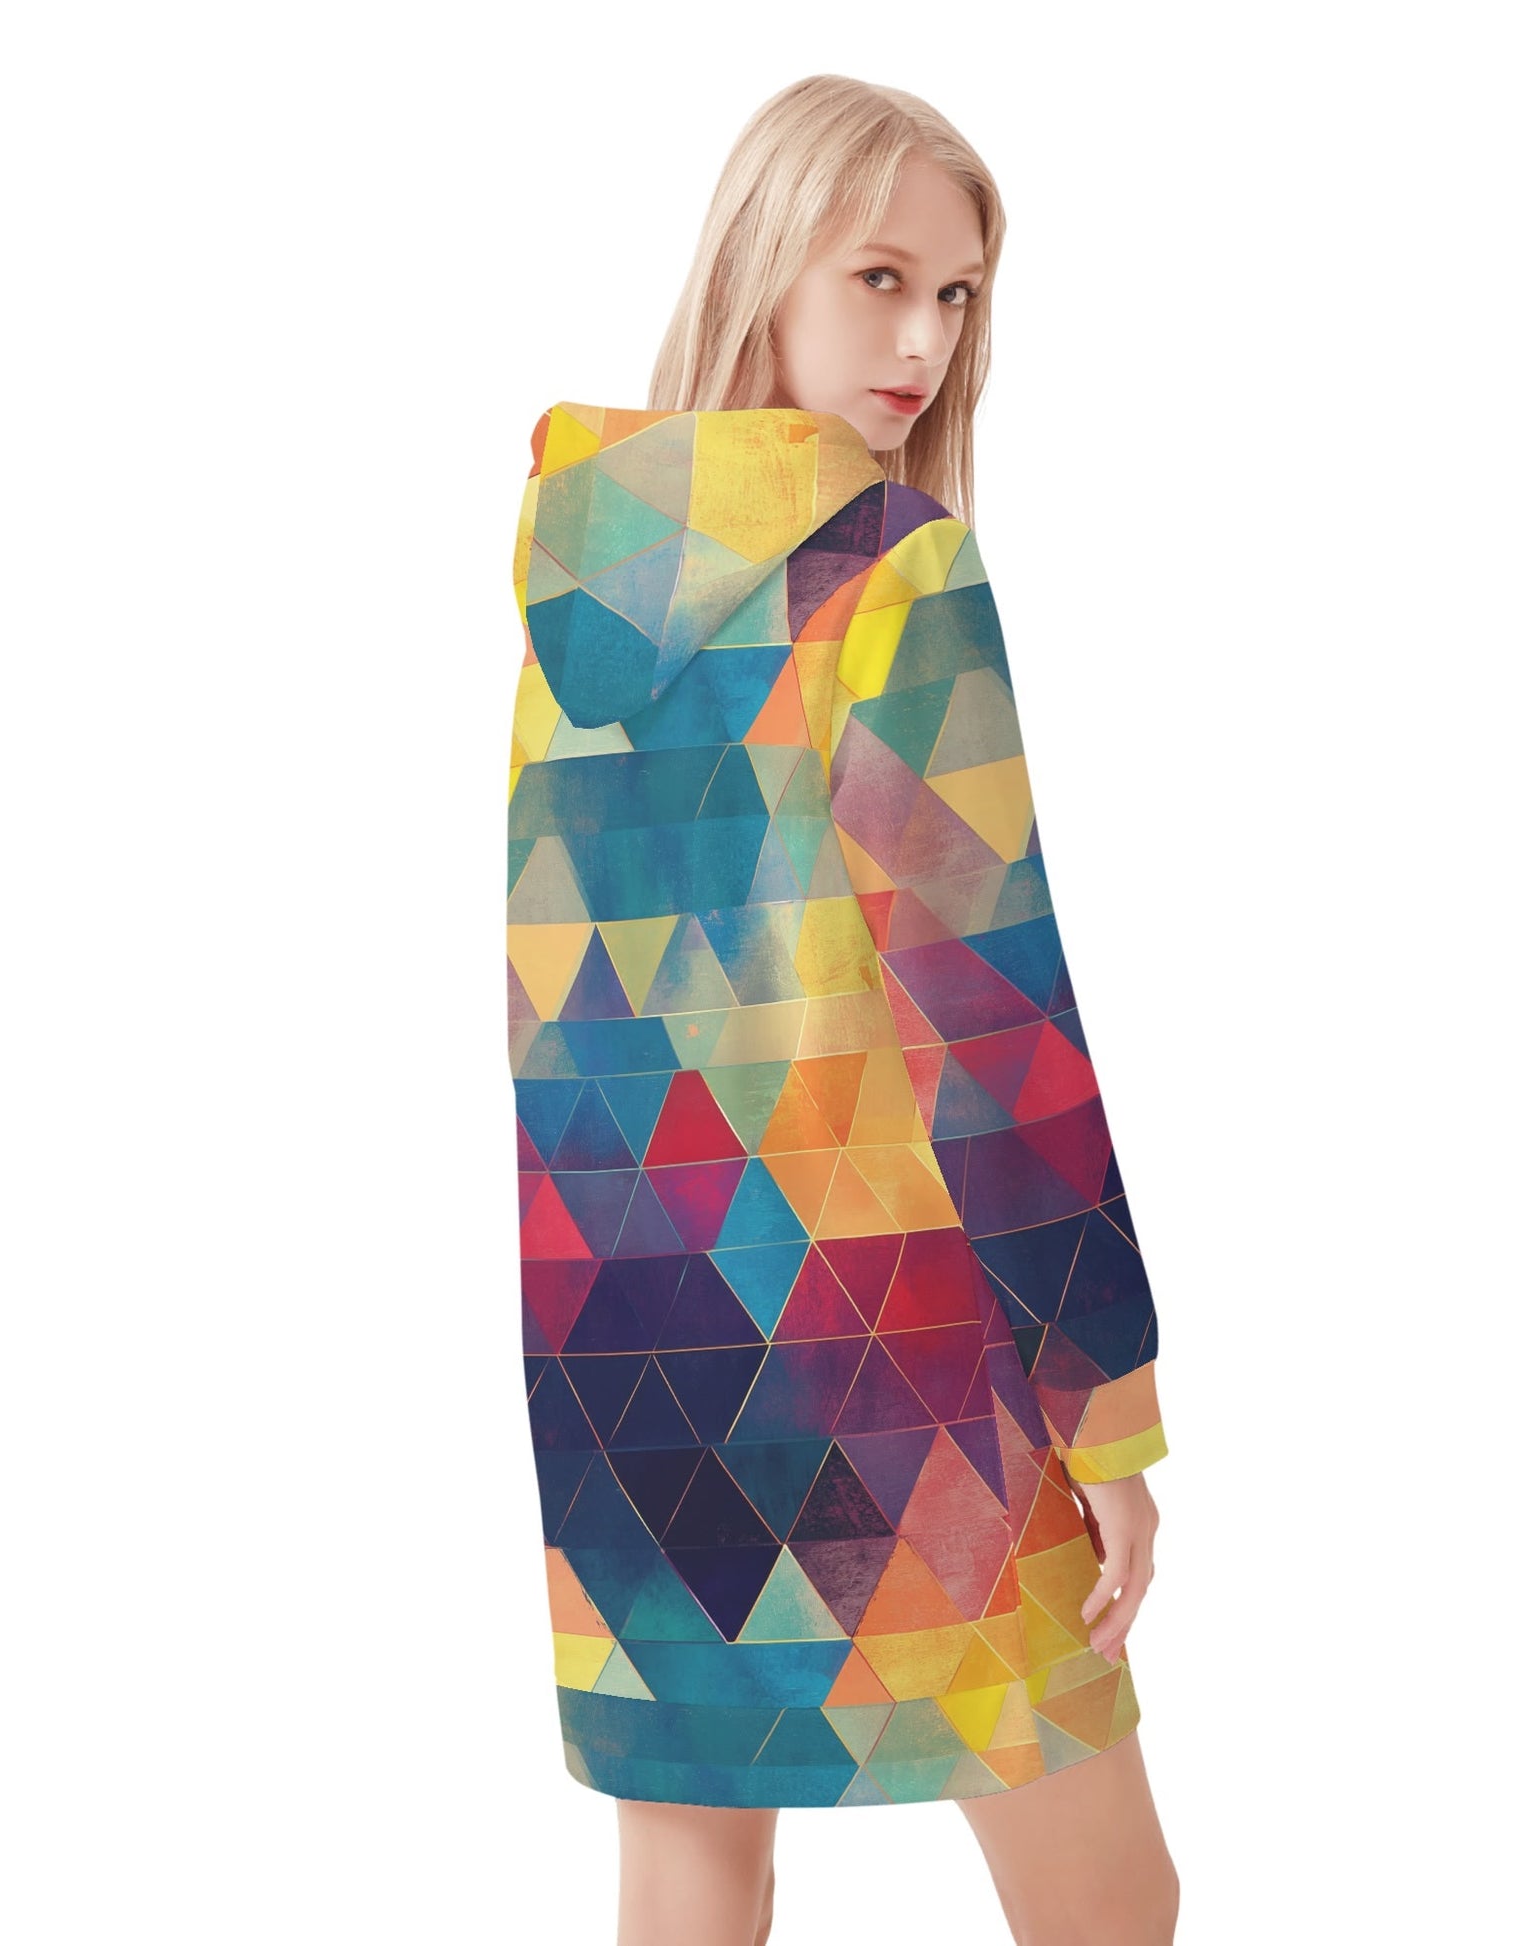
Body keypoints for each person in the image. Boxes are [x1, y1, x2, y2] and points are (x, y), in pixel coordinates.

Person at [506, 74, 1179, 1946]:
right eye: (878, 276)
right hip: (904, 1360)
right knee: (1111, 1902)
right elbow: (993, 1026)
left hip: (628, 1351)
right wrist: (1108, 1409)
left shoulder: (582, 584)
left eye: (956, 294)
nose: (922, 340)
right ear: (762, 262)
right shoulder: (896, 567)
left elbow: (568, 1018)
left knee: (690, 1876)